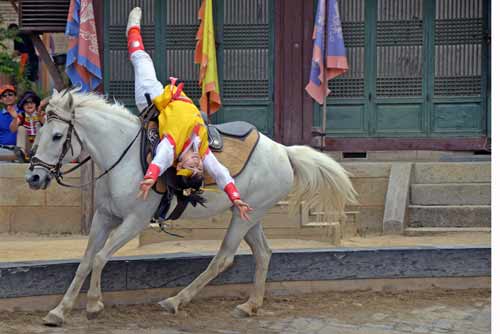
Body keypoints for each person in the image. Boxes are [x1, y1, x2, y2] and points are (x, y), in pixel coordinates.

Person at [128, 7, 252, 221]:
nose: (198, 163)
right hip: (177, 96)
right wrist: (236, 198)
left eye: (191, 166)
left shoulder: (171, 146)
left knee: (141, 60)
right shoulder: (202, 150)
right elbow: (221, 173)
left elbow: (160, 161)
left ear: (180, 165)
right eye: (199, 168)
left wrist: (150, 178)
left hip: (154, 100)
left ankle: (132, 29)